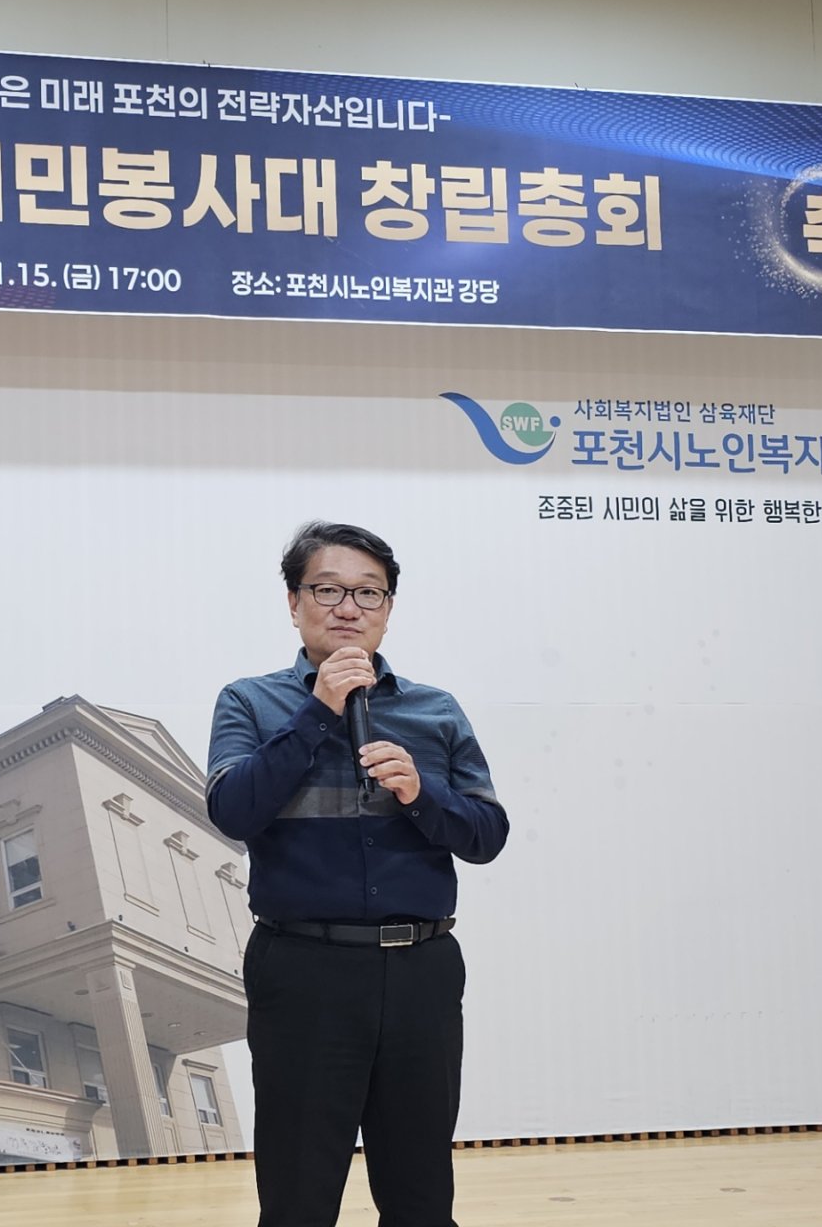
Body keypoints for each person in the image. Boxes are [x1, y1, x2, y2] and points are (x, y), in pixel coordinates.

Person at [206, 521, 509, 1227]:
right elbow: (232, 810)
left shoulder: (434, 710)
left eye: (368, 593)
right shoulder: (249, 702)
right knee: (298, 1195)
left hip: (422, 970)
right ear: (293, 602)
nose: (349, 608)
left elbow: (486, 836)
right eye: (328, 590)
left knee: (420, 1193)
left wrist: (422, 794)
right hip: (302, 968)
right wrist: (318, 713)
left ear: (388, 608)